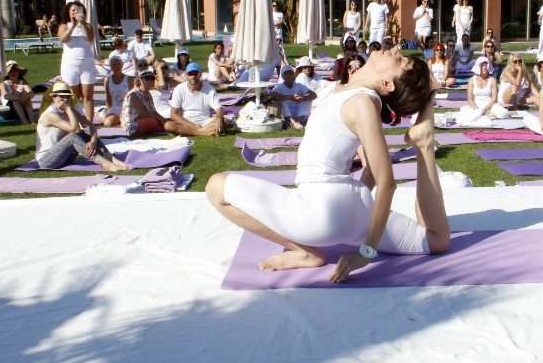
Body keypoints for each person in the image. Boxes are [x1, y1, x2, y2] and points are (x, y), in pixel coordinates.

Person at [206, 48, 448, 283]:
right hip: (348, 208)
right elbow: (374, 169)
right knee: (436, 240)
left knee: (216, 188)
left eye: (401, 61)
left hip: (323, 213)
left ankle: (306, 252)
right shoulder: (350, 93)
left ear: (387, 83)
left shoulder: (362, 102)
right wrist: (358, 207)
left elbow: (387, 182)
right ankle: (424, 143)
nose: (396, 49)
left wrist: (366, 252)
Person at [35, 81, 128, 171]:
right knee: (73, 136)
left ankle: (111, 159)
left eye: (67, 97)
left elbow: (90, 126)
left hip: (66, 157)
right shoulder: (50, 115)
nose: (65, 100)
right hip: (47, 161)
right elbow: (75, 129)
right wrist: (67, 108)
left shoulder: (69, 110)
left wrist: (93, 141)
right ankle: (106, 164)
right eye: (62, 97)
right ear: (54, 98)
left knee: (86, 133)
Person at [57, 1, 98, 124]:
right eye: (73, 10)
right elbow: (63, 39)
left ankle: (89, 123)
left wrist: (83, 23)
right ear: (68, 12)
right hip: (70, 64)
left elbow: (90, 38)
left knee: (88, 95)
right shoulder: (64, 26)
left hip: (87, 63)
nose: (75, 12)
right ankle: (76, 121)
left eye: (77, 10)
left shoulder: (87, 25)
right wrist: (73, 26)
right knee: (72, 96)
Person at [164, 63, 226, 136]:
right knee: (168, 125)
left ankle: (191, 132)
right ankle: (202, 133)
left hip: (205, 121)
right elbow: (173, 114)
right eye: (190, 74)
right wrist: (193, 126)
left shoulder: (209, 88)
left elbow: (219, 108)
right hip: (186, 122)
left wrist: (219, 119)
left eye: (195, 73)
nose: (193, 76)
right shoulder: (179, 89)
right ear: (186, 75)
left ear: (200, 75)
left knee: (224, 121)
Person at [457, 57, 509, 126]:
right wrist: (477, 109)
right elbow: (470, 99)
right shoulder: (472, 80)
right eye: (482, 65)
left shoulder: (493, 80)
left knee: (503, 113)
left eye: (485, 65)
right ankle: (485, 115)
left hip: (490, 105)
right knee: (463, 111)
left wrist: (486, 108)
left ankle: (484, 115)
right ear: (477, 67)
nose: (484, 67)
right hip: (476, 106)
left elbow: (494, 99)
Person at [121, 66, 166, 137]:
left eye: (152, 78)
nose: (150, 81)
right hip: (132, 125)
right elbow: (143, 114)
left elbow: (153, 111)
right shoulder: (133, 95)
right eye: (147, 78)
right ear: (140, 80)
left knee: (166, 119)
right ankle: (168, 128)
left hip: (145, 120)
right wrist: (159, 119)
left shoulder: (148, 94)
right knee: (153, 122)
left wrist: (162, 118)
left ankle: (168, 126)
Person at [270, 64, 317, 129]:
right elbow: (273, 96)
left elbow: (314, 95)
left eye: (290, 73)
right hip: (286, 115)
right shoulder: (279, 87)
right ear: (283, 76)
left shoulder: (298, 85)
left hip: (298, 113)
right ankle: (293, 122)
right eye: (286, 73)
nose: (288, 75)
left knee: (308, 100)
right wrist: (289, 97)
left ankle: (298, 122)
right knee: (282, 102)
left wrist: (303, 98)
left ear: (293, 75)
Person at [99, 56, 133, 126]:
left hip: (127, 107)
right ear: (111, 66)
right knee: (108, 123)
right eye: (114, 65)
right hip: (115, 108)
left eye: (118, 64)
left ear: (122, 65)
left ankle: (120, 119)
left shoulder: (129, 79)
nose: (116, 67)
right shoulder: (107, 80)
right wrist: (109, 111)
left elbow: (133, 97)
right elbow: (108, 97)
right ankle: (104, 117)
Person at [0, 60, 35, 124]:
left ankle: (32, 121)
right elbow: (5, 95)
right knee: (14, 98)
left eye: (15, 70)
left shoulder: (23, 82)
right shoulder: (3, 84)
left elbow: (31, 93)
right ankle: (24, 121)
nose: (13, 73)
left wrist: (25, 96)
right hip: (8, 112)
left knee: (27, 97)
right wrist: (18, 97)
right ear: (7, 73)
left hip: (22, 110)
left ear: (19, 72)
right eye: (11, 71)